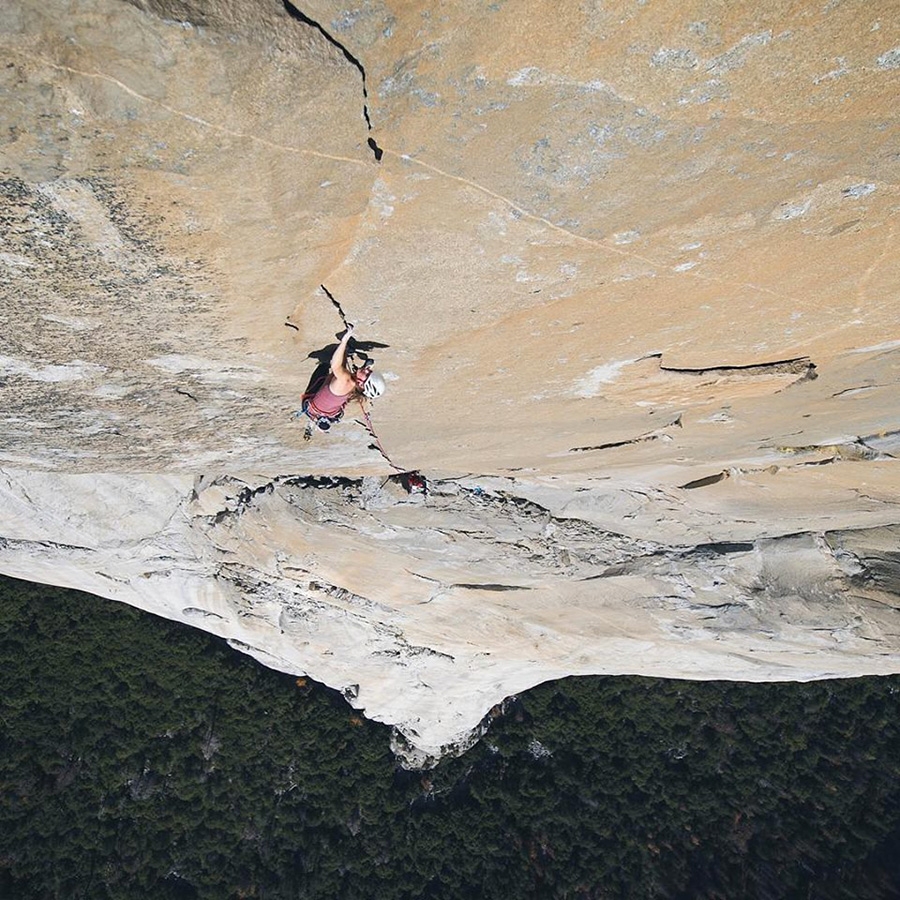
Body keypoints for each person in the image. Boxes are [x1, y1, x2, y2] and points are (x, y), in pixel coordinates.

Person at [302, 325, 385, 433]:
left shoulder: (346, 382)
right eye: (369, 370)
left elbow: (336, 366)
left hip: (313, 406)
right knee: (342, 372)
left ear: (361, 385)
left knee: (325, 367)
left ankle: (338, 353)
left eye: (367, 373)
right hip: (328, 411)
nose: (367, 370)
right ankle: (345, 351)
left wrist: (344, 340)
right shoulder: (354, 386)